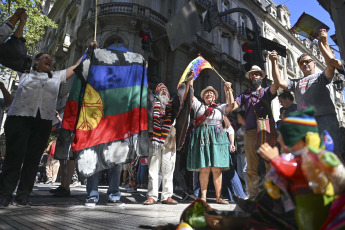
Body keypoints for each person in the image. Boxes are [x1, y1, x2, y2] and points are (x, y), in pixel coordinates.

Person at [0, 37, 98, 208]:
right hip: (19, 118)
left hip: (42, 121)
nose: (50, 60)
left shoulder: (56, 77)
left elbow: (76, 67)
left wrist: (88, 51)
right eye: (46, 57)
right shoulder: (25, 72)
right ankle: (5, 195)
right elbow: (16, 51)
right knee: (13, 158)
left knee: (32, 159)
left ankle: (23, 195)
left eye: (51, 59)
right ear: (36, 61)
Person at [259, 107, 334, 230]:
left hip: (314, 210)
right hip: (303, 209)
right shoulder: (296, 157)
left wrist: (275, 159)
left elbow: (296, 171)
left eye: (282, 136)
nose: (278, 139)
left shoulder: (312, 159)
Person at [273, 29, 342, 158]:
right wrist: (274, 62)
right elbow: (279, 82)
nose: (304, 64)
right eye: (301, 63)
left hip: (326, 118)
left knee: (333, 156)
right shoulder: (296, 82)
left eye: (307, 61)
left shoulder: (322, 76)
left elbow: (331, 65)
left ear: (314, 63)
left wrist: (323, 42)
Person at [228, 59, 280, 198]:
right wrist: (228, 91)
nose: (254, 76)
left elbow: (277, 83)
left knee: (269, 162)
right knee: (251, 167)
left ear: (261, 77)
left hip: (266, 127)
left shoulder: (267, 91)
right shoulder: (244, 94)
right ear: (250, 77)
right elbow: (232, 107)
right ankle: (253, 195)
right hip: (250, 131)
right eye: (252, 74)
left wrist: (274, 62)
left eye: (257, 74)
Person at [183, 70, 233, 204]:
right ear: (203, 97)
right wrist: (190, 80)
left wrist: (228, 90)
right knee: (204, 169)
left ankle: (218, 197)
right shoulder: (199, 106)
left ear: (215, 97)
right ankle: (203, 197)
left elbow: (231, 106)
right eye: (206, 93)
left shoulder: (220, 108)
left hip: (217, 138)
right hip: (203, 138)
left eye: (211, 93)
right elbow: (190, 95)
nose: (208, 94)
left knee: (217, 169)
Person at [143, 83, 178, 205]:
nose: (164, 91)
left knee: (168, 169)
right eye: (161, 90)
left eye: (166, 90)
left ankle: (167, 196)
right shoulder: (152, 103)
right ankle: (152, 196)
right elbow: (146, 95)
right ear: (157, 93)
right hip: (155, 138)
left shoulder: (173, 104)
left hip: (169, 138)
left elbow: (183, 102)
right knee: (153, 169)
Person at [222, 115, 246, 202]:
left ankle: (239, 194)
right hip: (223, 143)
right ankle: (232, 195)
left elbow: (230, 130)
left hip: (223, 144)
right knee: (225, 171)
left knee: (229, 169)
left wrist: (231, 144)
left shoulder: (221, 117)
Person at [235, 111, 248, 195]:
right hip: (239, 152)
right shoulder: (239, 127)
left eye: (239, 116)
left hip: (245, 152)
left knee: (245, 171)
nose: (237, 118)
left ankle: (248, 191)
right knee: (240, 172)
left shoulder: (248, 127)